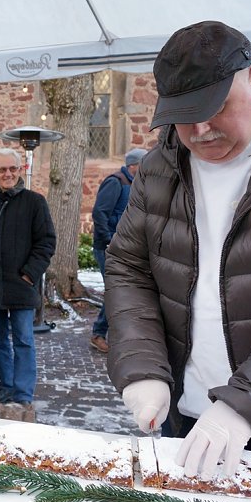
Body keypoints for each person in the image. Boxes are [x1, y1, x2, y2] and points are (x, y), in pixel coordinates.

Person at [105, 21, 251, 481]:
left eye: (216, 107)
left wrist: (248, 403)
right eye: (184, 114)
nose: (200, 129)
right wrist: (143, 368)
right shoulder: (159, 166)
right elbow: (129, 268)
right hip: (189, 419)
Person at [0, 148, 56, 405]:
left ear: (20, 170)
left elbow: (46, 243)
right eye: (2, 169)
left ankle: (22, 393)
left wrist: (29, 275)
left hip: (21, 285)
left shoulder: (34, 202)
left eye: (13, 169)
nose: (8, 174)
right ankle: (7, 386)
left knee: (23, 340)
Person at [89, 147, 146, 353]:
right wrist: (108, 241)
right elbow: (100, 213)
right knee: (115, 291)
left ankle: (119, 334)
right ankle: (98, 333)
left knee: (123, 291)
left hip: (126, 248)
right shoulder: (116, 182)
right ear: (134, 166)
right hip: (108, 248)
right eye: (143, 165)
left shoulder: (135, 184)